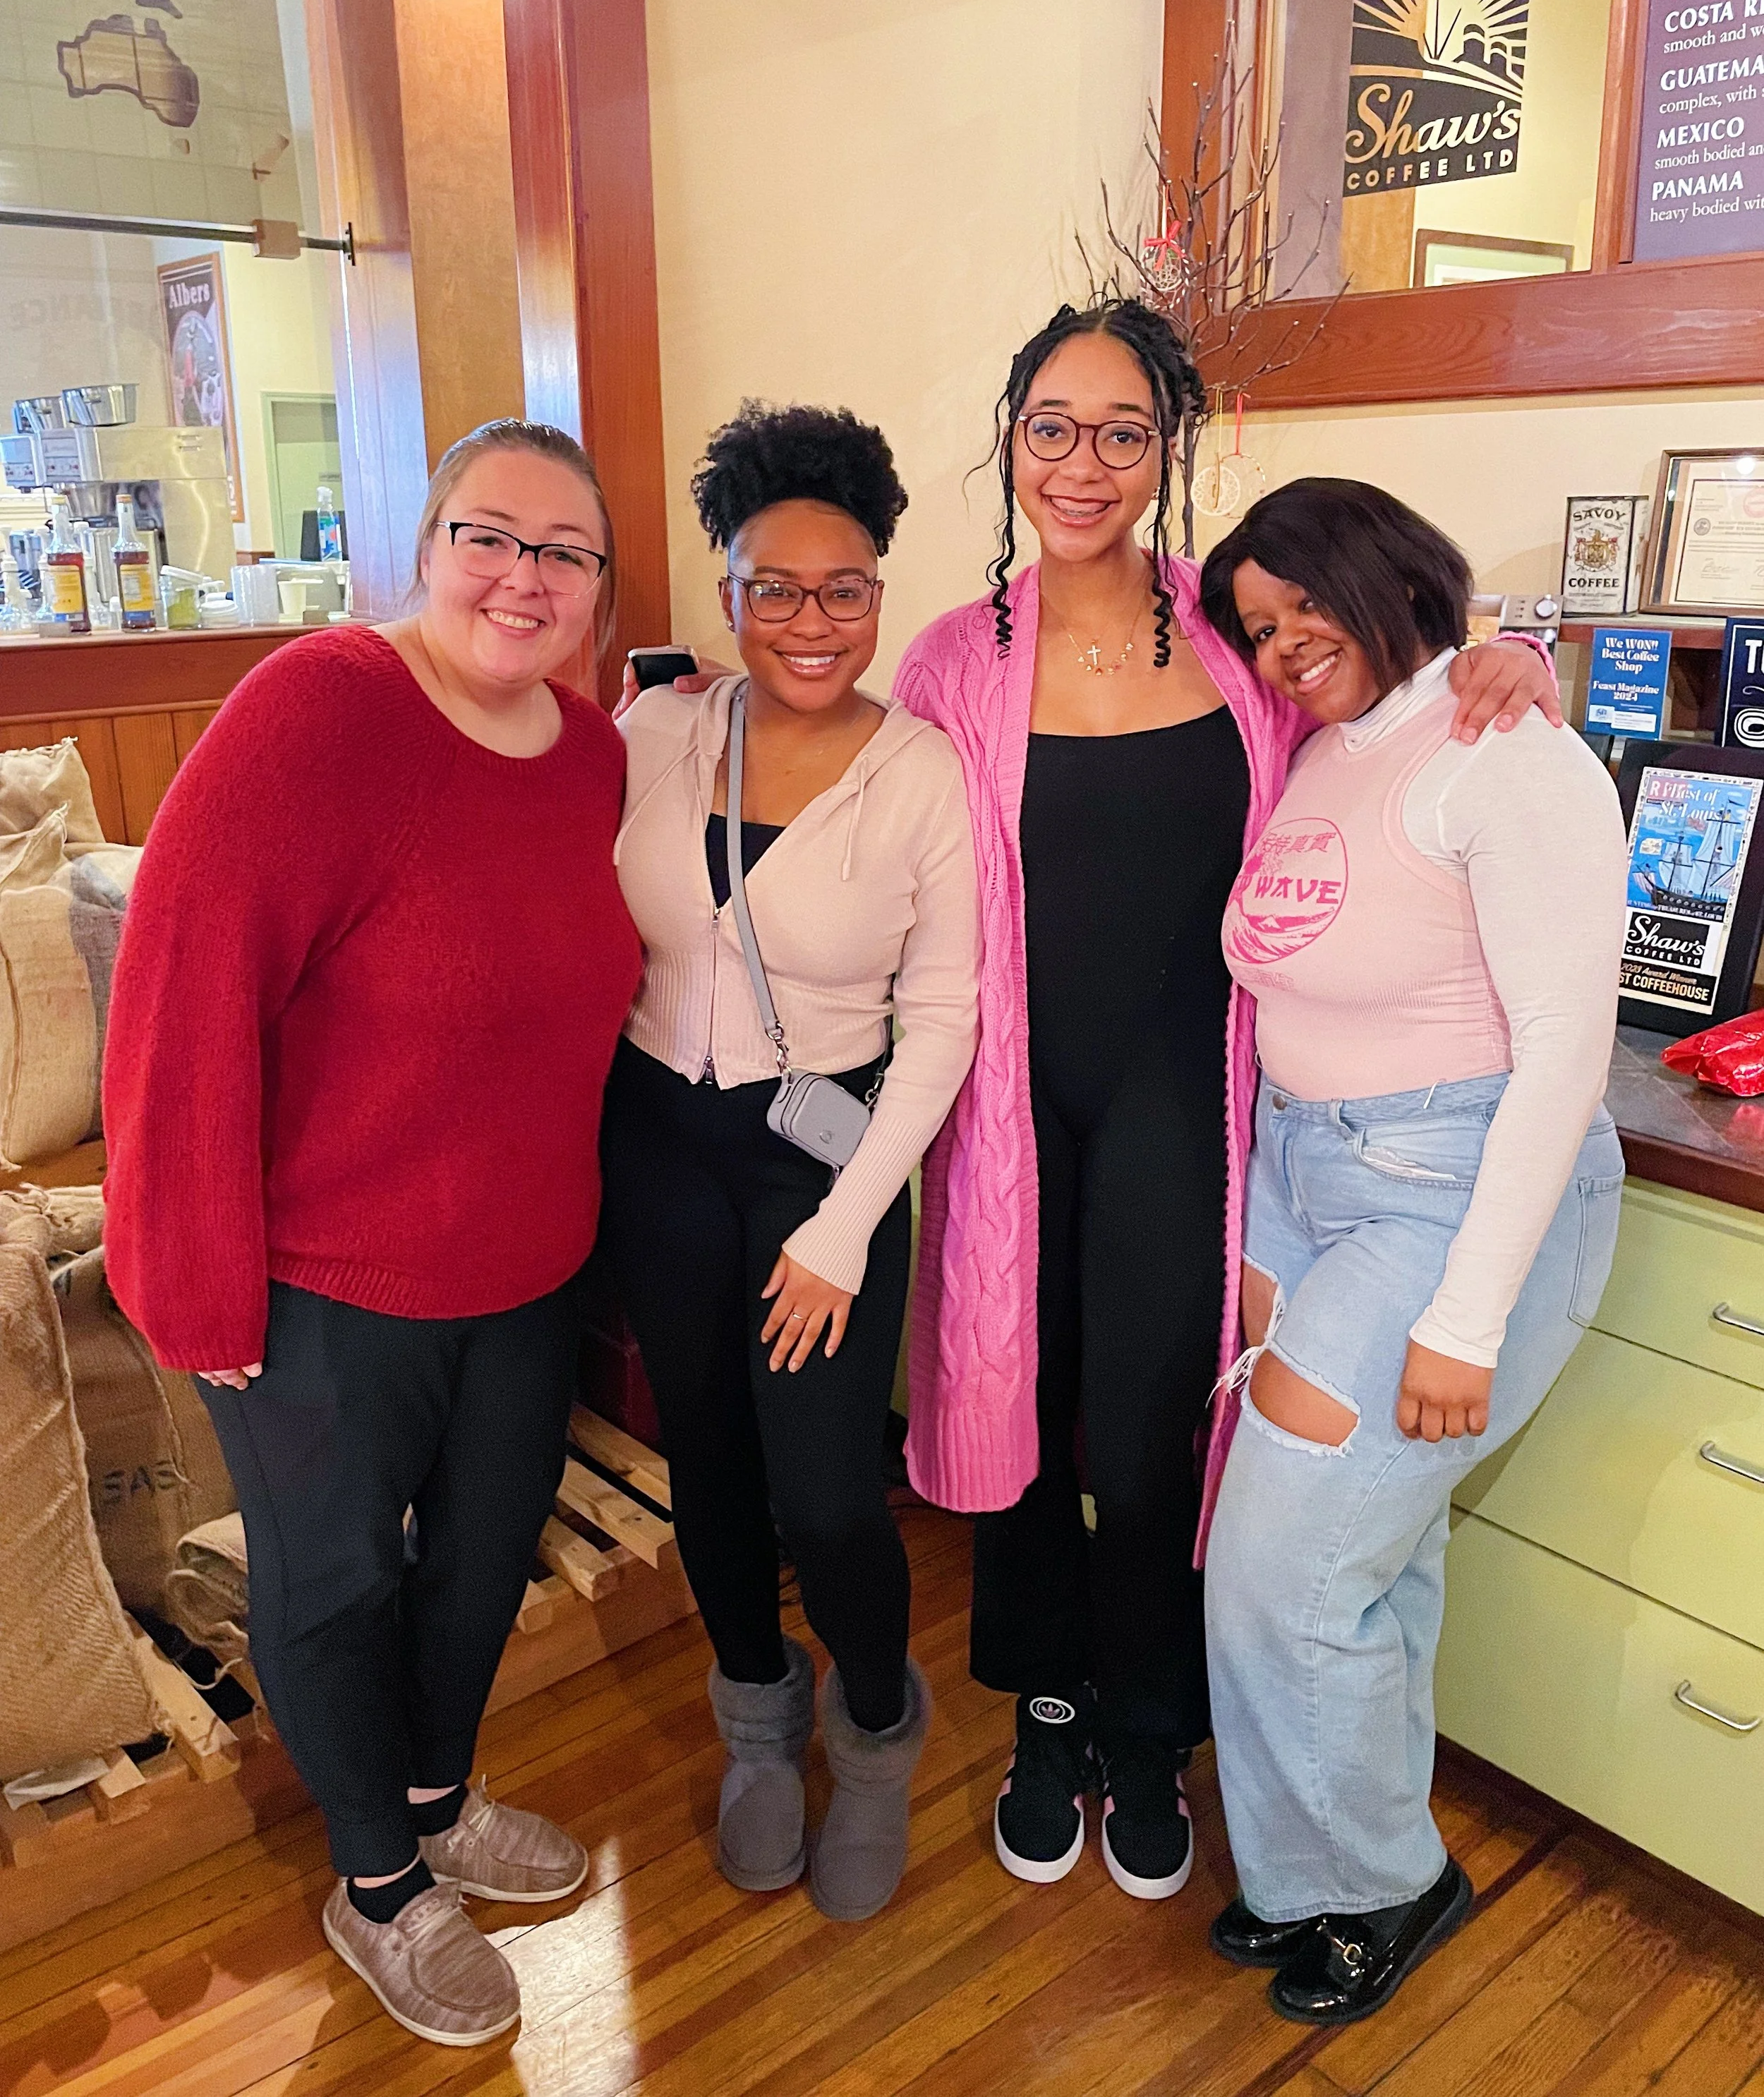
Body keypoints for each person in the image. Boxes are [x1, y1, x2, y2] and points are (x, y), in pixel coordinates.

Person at [889, 299, 1565, 1904]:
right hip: (1004, 1111)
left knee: (1151, 1414)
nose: (1082, 461)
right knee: (1028, 1401)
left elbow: (1385, 704)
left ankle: (1147, 1722)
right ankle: (1048, 1711)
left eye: (1122, 430)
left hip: (1195, 1097)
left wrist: (1509, 654)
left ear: (1164, 453)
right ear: (1008, 439)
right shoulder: (946, 659)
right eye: (1051, 424)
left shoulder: (1231, 633)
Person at [103, 421, 642, 2050]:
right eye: (491, 535)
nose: (523, 577)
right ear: (428, 548)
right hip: (320, 1282)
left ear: (601, 597)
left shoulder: (590, 747)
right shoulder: (317, 711)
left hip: (525, 1265)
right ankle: (379, 1882)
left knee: (480, 1564)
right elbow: (180, 996)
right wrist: (189, 1277)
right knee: (334, 1582)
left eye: (564, 552)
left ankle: (433, 1793)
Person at [1197, 480, 1626, 2023]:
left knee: (1278, 1570)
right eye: (1257, 626)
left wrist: (1463, 1313)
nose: (1284, 642)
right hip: (1311, 1180)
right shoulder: (1321, 746)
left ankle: (1384, 1881)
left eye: (1305, 602)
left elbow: (1568, 1047)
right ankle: (1318, 1872)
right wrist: (1259, 1224)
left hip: (1452, 1195)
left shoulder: (1502, 750)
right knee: (1372, 1560)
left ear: (1387, 574)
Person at [598, 403, 979, 1922]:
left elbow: (940, 1024)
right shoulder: (657, 730)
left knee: (826, 1489)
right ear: (727, 591)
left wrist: (840, 1228)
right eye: (773, 588)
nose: (809, 622)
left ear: (879, 589)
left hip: (825, 1157)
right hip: (658, 1142)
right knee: (709, 1466)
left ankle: (874, 1728)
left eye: (842, 588)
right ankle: (755, 1716)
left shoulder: (924, 776)